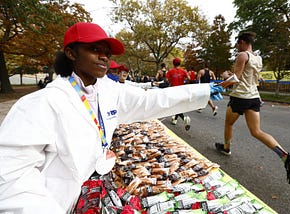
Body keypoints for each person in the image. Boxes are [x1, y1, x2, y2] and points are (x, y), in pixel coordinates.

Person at [0, 22, 224, 213]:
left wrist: (201, 91)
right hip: (55, 202)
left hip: (90, 191)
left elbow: (149, 101)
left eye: (107, 52)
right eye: (94, 49)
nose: (104, 57)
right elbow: (10, 176)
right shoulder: (40, 103)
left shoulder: (106, 90)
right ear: (71, 53)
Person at [215, 32, 290, 184]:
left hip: (240, 97)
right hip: (254, 97)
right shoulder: (258, 58)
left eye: (238, 44)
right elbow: (250, 76)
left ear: (242, 42)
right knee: (257, 131)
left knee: (229, 123)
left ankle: (226, 147)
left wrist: (220, 83)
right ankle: (286, 157)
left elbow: (235, 78)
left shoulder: (242, 55)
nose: (237, 47)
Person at [166, 57, 191, 131]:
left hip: (173, 90)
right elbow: (189, 78)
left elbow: (166, 80)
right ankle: (175, 119)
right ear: (180, 63)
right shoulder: (183, 71)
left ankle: (184, 119)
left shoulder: (170, 71)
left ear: (173, 64)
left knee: (174, 106)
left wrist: (171, 81)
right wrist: (184, 82)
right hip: (182, 90)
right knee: (178, 105)